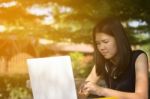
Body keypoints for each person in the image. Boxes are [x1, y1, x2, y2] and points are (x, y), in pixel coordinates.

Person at [78, 17, 149, 99]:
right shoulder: (102, 63)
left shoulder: (138, 57)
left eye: (105, 42)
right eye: (98, 43)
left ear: (118, 40)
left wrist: (101, 91)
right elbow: (83, 93)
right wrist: (83, 91)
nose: (101, 48)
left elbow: (142, 97)